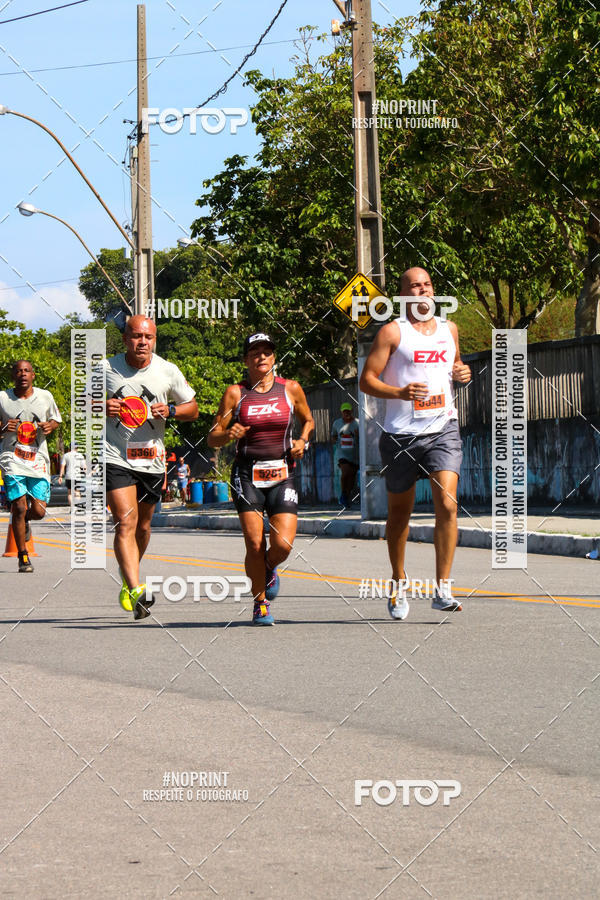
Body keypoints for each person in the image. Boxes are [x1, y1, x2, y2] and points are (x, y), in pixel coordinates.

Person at [359, 267, 471, 619]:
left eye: (427, 285)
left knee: (448, 505)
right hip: (401, 435)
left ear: (433, 290)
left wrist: (462, 372)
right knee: (399, 516)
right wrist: (399, 392)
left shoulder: (449, 329)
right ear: (404, 295)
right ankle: (398, 582)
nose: (422, 291)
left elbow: (455, 367)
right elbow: (366, 381)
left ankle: (443, 588)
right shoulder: (393, 332)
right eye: (414, 286)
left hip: (444, 429)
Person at [207, 332, 314, 626]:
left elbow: (308, 419)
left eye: (267, 352)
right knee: (254, 543)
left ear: (274, 357)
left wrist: (303, 439)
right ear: (246, 360)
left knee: (282, 545)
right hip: (247, 474)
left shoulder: (290, 389)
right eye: (255, 353)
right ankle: (260, 603)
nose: (262, 357)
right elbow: (212, 437)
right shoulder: (235, 393)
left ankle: (268, 568)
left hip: (283, 472)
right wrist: (228, 433)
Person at [105, 315, 198, 619]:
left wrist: (171, 409)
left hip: (152, 459)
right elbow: (80, 404)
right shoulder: (105, 369)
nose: (142, 342)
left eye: (148, 337)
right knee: (125, 522)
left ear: (154, 340)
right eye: (136, 336)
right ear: (125, 339)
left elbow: (193, 408)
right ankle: (136, 588)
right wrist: (100, 406)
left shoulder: (167, 370)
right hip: (115, 456)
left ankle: (128, 573)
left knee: (143, 528)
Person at [0, 360, 62, 572]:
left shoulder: (45, 397)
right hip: (12, 458)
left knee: (38, 511)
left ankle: (24, 519)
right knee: (18, 506)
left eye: (26, 371)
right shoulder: (2, 398)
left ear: (33, 375)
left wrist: (49, 426)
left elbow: (56, 420)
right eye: (18, 371)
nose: (22, 374)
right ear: (13, 376)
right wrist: (2, 427)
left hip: (37, 459)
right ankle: (23, 556)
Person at [331, 402, 360, 507]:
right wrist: (334, 440)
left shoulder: (358, 423)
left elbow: (365, 438)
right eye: (344, 412)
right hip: (342, 453)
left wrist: (358, 435)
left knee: (352, 476)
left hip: (355, 454)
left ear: (352, 411)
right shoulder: (337, 423)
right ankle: (343, 494)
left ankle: (346, 496)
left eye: (348, 411)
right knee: (346, 471)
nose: (347, 413)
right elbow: (333, 435)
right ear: (341, 413)